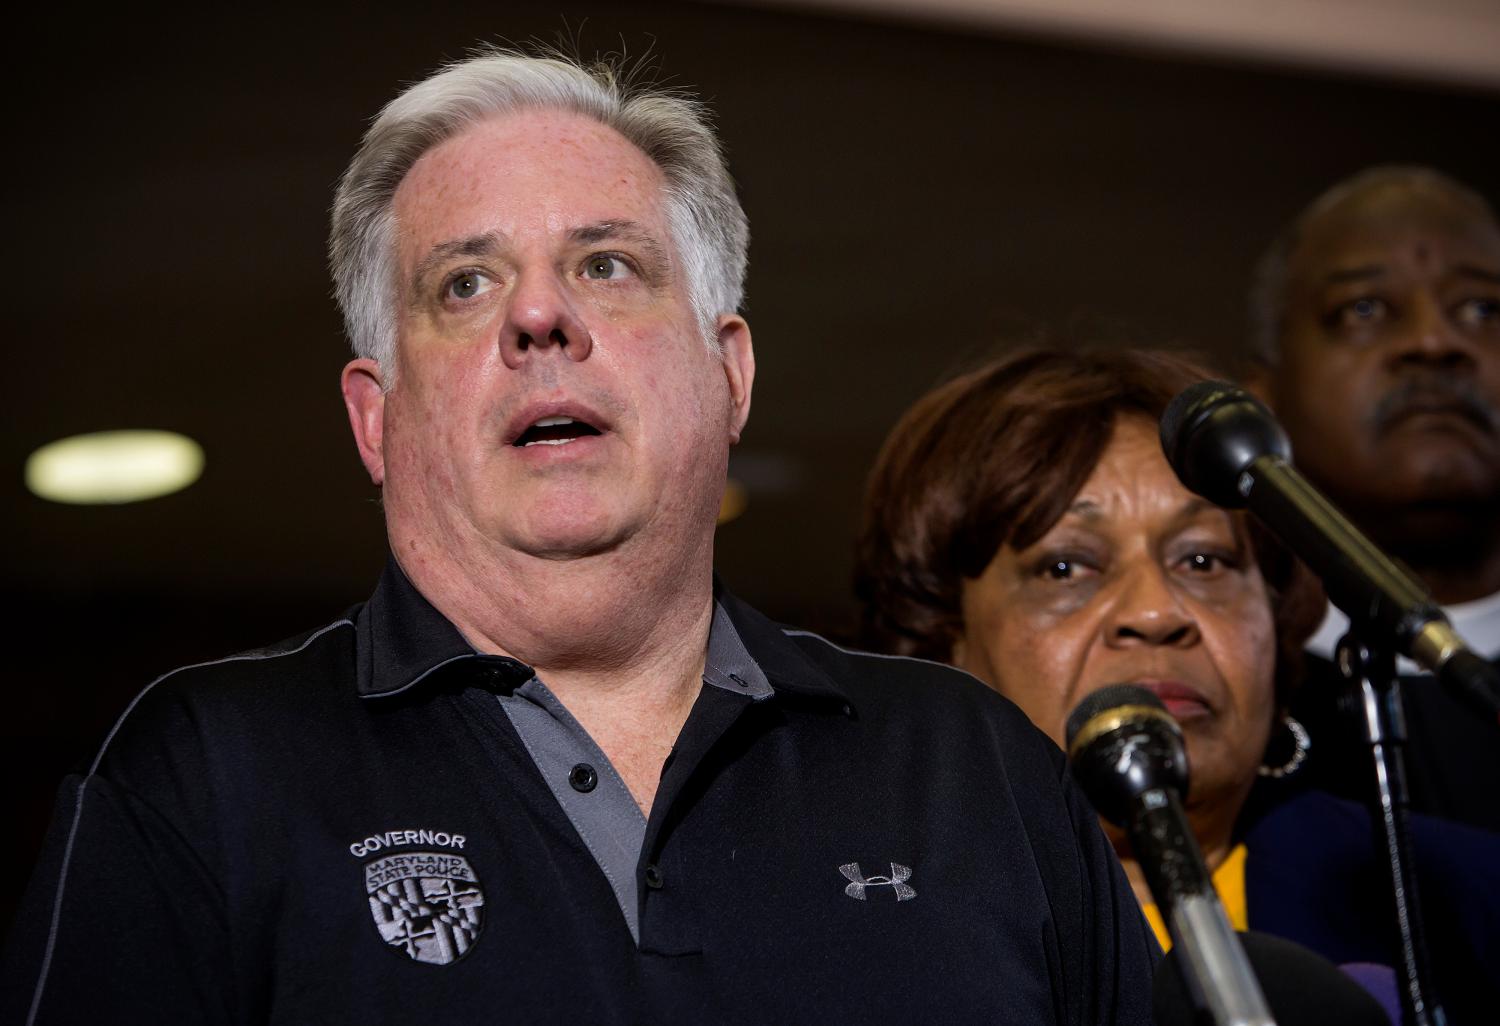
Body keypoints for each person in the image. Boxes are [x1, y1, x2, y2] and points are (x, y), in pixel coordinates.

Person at [1, 50, 1159, 1024]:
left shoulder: (975, 772)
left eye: (606, 265)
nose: (541, 315)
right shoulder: (208, 774)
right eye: (464, 284)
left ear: (729, 372)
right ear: (377, 415)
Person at [855, 346, 1500, 1024]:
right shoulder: (855, 924)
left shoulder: (1462, 896)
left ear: (1275, 622)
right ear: (944, 640)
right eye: (1067, 567)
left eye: (1203, 559)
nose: (1157, 612)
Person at [1245, 167, 1500, 831]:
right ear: (1263, 394)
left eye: (1482, 310)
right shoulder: (1226, 688)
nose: (1433, 343)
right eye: (1363, 310)